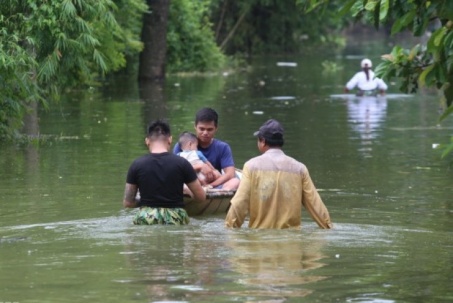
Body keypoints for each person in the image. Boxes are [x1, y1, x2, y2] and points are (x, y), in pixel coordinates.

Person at [225, 119, 333, 229]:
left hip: (259, 241)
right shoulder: (300, 168)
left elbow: (239, 204)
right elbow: (316, 206)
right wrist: (328, 226)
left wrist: (229, 229)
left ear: (262, 141)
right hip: (292, 242)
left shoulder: (251, 166)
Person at [123, 119, 206, 225]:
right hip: (175, 218)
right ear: (170, 140)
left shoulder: (136, 165)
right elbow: (201, 197)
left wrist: (145, 202)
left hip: (146, 217)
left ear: (147, 141)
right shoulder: (182, 164)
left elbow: (128, 203)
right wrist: (186, 191)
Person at [173, 107, 240, 190]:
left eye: (209, 129)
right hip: (191, 186)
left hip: (215, 186)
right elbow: (175, 171)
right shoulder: (182, 145)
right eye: (201, 129)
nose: (205, 133)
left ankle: (216, 199)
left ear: (216, 128)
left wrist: (211, 185)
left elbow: (230, 174)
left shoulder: (223, 147)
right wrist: (199, 166)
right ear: (195, 126)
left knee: (235, 181)